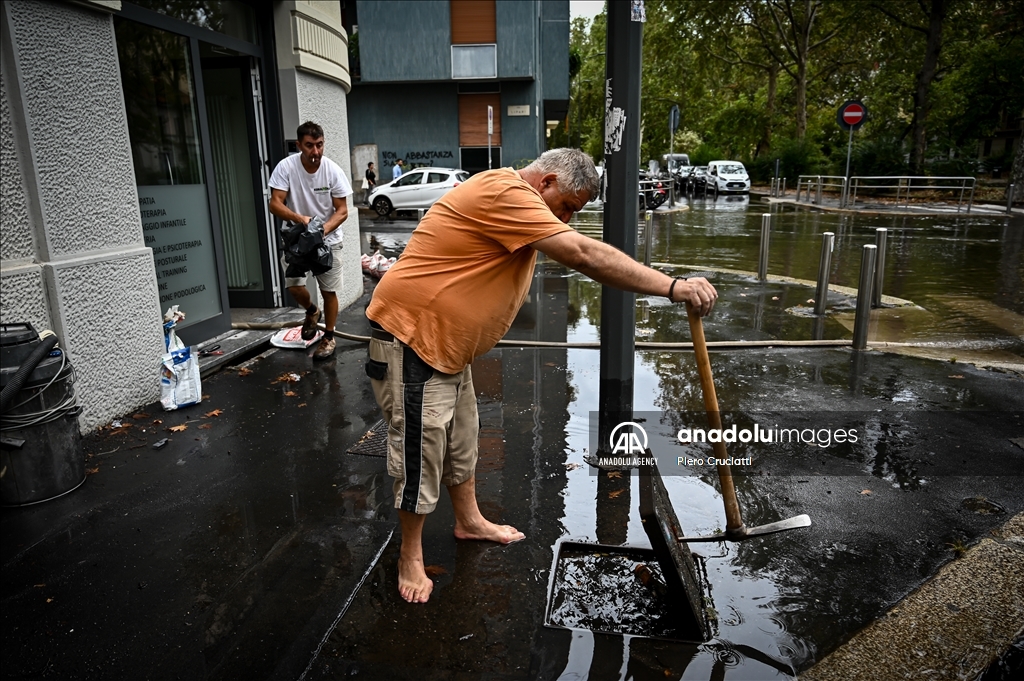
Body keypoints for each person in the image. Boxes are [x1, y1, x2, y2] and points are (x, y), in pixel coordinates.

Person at [364, 148, 718, 603]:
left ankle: (468, 520)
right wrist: (672, 286)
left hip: (447, 343)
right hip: (412, 337)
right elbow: (582, 253)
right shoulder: (505, 192)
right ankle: (410, 556)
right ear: (547, 181)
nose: (567, 220)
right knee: (420, 449)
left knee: (461, 438)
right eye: (568, 206)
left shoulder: (516, 196)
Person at [269, 121, 352, 360]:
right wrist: (301, 219)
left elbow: (342, 210)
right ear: (298, 145)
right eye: (309, 146)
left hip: (328, 239)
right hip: (297, 238)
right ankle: (312, 311)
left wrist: (321, 230)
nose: (315, 152)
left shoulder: (333, 171)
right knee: (294, 286)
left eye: (319, 145)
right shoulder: (286, 167)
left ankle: (328, 336)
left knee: (329, 290)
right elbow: (275, 203)